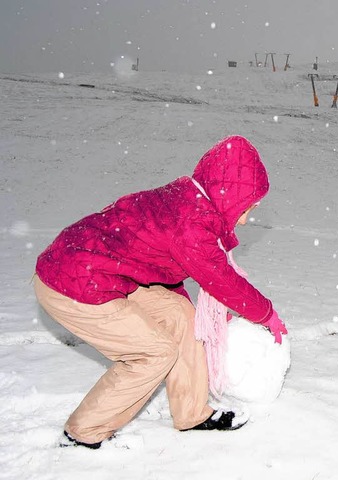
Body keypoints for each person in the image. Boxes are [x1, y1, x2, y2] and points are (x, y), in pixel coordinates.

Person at [33, 135, 287, 449]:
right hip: (74, 283)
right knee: (153, 353)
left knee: (181, 315)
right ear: (231, 198)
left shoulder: (189, 199)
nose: (247, 219)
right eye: (248, 208)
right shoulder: (193, 225)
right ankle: (84, 434)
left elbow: (160, 261)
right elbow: (222, 280)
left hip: (94, 268)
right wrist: (266, 314)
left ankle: (192, 413)